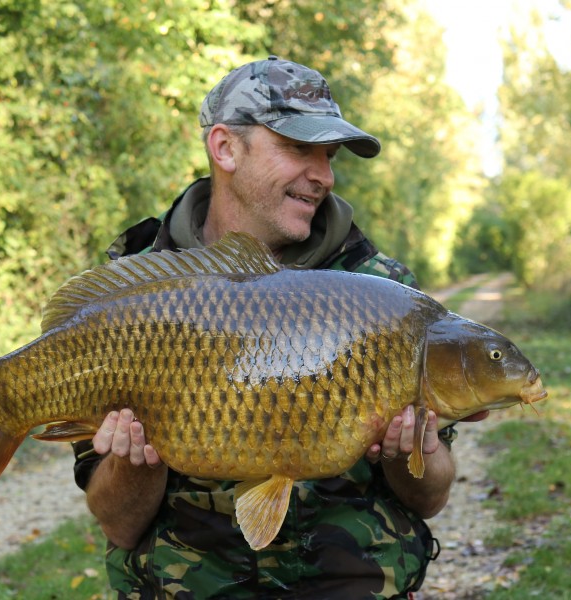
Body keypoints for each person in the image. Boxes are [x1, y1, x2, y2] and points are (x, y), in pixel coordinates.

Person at [72, 56, 486, 599]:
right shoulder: (132, 293)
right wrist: (138, 462)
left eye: (330, 156)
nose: (324, 176)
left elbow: (430, 499)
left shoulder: (385, 294)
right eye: (298, 148)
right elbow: (118, 525)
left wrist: (412, 453)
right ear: (225, 148)